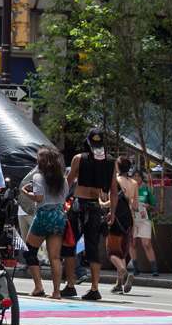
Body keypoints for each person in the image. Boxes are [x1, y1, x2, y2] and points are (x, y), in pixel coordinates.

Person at [63, 128, 118, 301]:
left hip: (79, 205)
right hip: (96, 207)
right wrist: (112, 212)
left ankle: (71, 285)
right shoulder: (111, 162)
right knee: (92, 247)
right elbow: (114, 191)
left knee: (70, 245)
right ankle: (95, 288)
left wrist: (58, 202)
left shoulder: (79, 158)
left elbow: (68, 182)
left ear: (88, 142)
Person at [21, 147, 67, 297]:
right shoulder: (62, 178)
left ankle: (39, 286)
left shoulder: (38, 177)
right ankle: (56, 291)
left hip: (44, 215)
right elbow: (63, 197)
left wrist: (26, 192)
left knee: (29, 251)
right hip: (59, 216)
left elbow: (39, 198)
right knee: (55, 257)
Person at [108, 156, 137, 294]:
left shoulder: (115, 180)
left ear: (118, 167)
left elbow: (112, 200)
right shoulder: (134, 183)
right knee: (123, 252)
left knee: (112, 252)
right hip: (128, 220)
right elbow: (135, 206)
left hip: (116, 218)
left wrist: (101, 203)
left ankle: (123, 271)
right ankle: (119, 284)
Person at [132, 171, 158, 276]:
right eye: (134, 176)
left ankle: (154, 269)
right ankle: (135, 269)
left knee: (146, 244)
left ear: (142, 178)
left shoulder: (146, 189)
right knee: (132, 243)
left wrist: (148, 206)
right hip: (132, 220)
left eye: (138, 176)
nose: (136, 178)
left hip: (144, 219)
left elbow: (154, 205)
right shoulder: (129, 189)